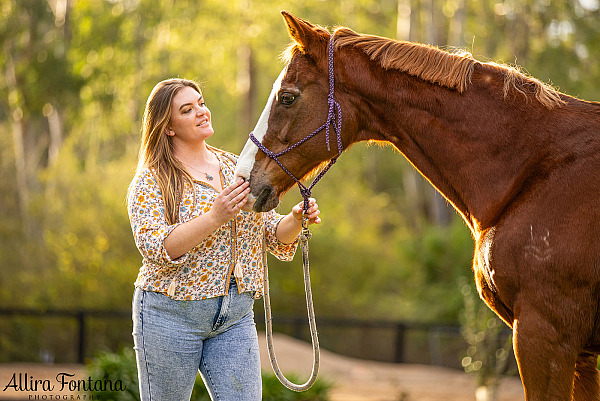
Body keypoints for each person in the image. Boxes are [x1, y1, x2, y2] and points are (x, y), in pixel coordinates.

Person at [127, 78, 321, 401]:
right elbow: (157, 247)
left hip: (235, 317)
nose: (201, 112)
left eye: (200, 103)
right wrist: (215, 216)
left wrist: (296, 219)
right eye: (187, 110)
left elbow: (271, 234)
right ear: (169, 127)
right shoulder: (151, 179)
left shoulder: (237, 166)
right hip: (169, 317)